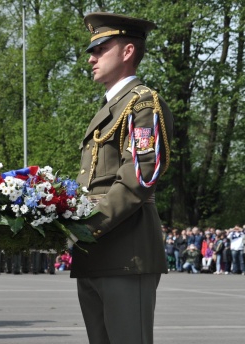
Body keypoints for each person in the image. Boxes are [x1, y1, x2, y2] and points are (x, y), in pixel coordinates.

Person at [70, 12, 174, 344]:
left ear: (127, 51)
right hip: (96, 253)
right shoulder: (112, 108)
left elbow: (138, 179)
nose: (91, 58)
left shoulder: (142, 105)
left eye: (100, 48)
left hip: (125, 253)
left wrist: (84, 227)